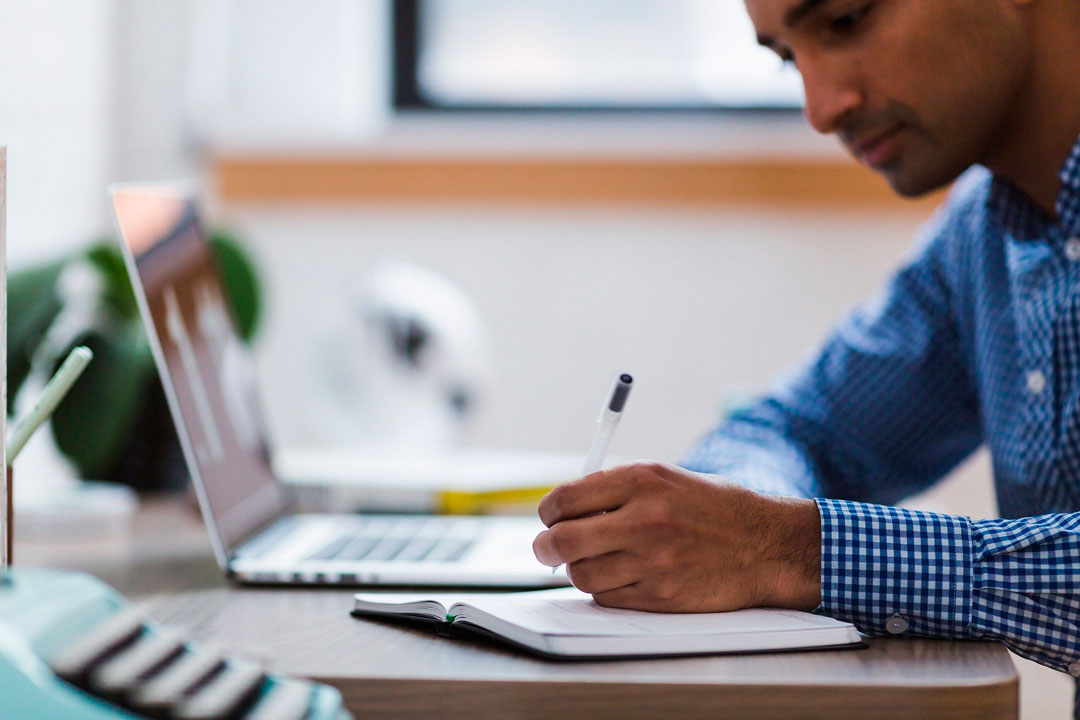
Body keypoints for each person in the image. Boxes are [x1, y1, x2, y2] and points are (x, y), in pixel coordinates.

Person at [531, 0, 1080, 713]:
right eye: (788, 57)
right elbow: (798, 428)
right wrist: (723, 523)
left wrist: (787, 548)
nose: (821, 110)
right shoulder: (985, 233)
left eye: (846, 21)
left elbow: (782, 535)